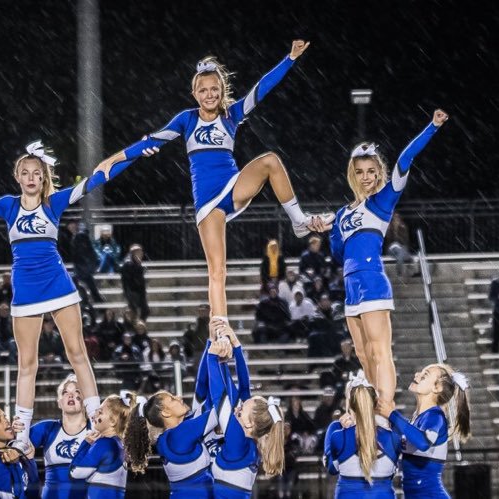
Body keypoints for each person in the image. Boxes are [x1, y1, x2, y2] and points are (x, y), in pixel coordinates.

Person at [96, 41, 324, 350]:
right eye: (203, 90)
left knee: (270, 160)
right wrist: (115, 159)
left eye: (214, 88)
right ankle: (221, 329)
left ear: (222, 89)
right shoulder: (186, 119)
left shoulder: (231, 115)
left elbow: (262, 89)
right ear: (195, 94)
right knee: (218, 269)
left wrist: (290, 58)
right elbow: (151, 140)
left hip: (233, 186)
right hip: (208, 203)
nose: (209, 94)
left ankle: (298, 221)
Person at [0, 141, 152, 438]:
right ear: (18, 177)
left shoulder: (54, 203)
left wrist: (135, 152)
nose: (30, 177)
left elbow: (99, 176)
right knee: (27, 364)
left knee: (77, 353)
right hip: (26, 291)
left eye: (36, 173)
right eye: (25, 172)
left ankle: (96, 422)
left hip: (58, 284)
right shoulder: (7, 205)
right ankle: (22, 435)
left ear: (43, 178)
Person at [320, 109, 448, 416]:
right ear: (353, 174)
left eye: (371, 171)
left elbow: (405, 158)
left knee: (380, 352)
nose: (366, 177)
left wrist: (432, 127)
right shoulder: (342, 213)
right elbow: (338, 254)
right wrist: (329, 230)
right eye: (360, 171)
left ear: (379, 173)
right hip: (351, 286)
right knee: (363, 355)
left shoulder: (383, 200)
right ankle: (374, 408)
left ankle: (386, 410)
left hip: (372, 279)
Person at [124, 337, 230, 498]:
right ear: (165, 413)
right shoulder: (178, 436)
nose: (179, 397)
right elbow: (222, 407)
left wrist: (210, 343)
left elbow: (201, 390)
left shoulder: (177, 432)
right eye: (172, 399)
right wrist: (214, 359)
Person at [206, 330, 288, 499]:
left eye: (241, 411)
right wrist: (236, 347)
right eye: (241, 407)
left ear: (250, 424)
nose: (237, 409)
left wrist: (212, 357)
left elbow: (219, 397)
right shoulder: (247, 437)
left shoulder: (238, 441)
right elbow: (244, 388)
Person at [388, 364, 472, 499]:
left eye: (424, 375)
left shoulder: (435, 416)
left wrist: (392, 414)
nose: (416, 375)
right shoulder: (416, 420)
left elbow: (423, 442)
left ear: (436, 388)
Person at [322, 380, 401, 498]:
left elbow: (332, 469)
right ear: (375, 404)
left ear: (350, 405)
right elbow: (392, 472)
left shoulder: (339, 436)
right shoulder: (393, 438)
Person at [25, 376, 92, 499]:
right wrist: (19, 428)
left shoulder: (95, 430)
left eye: (77, 391)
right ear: (59, 403)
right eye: (65, 392)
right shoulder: (48, 428)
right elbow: (17, 445)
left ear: (87, 400)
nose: (71, 395)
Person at [70, 394, 135, 499]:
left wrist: (85, 443)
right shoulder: (119, 443)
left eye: (100, 412)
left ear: (113, 421)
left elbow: (74, 472)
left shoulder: (104, 444)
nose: (95, 414)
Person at [120, 245, 149, 320]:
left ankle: (139, 325)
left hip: (138, 290)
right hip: (132, 291)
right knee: (134, 311)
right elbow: (132, 278)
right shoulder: (128, 263)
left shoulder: (135, 261)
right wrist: (140, 269)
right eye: (140, 252)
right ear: (134, 253)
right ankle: (134, 327)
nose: (142, 254)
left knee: (144, 311)